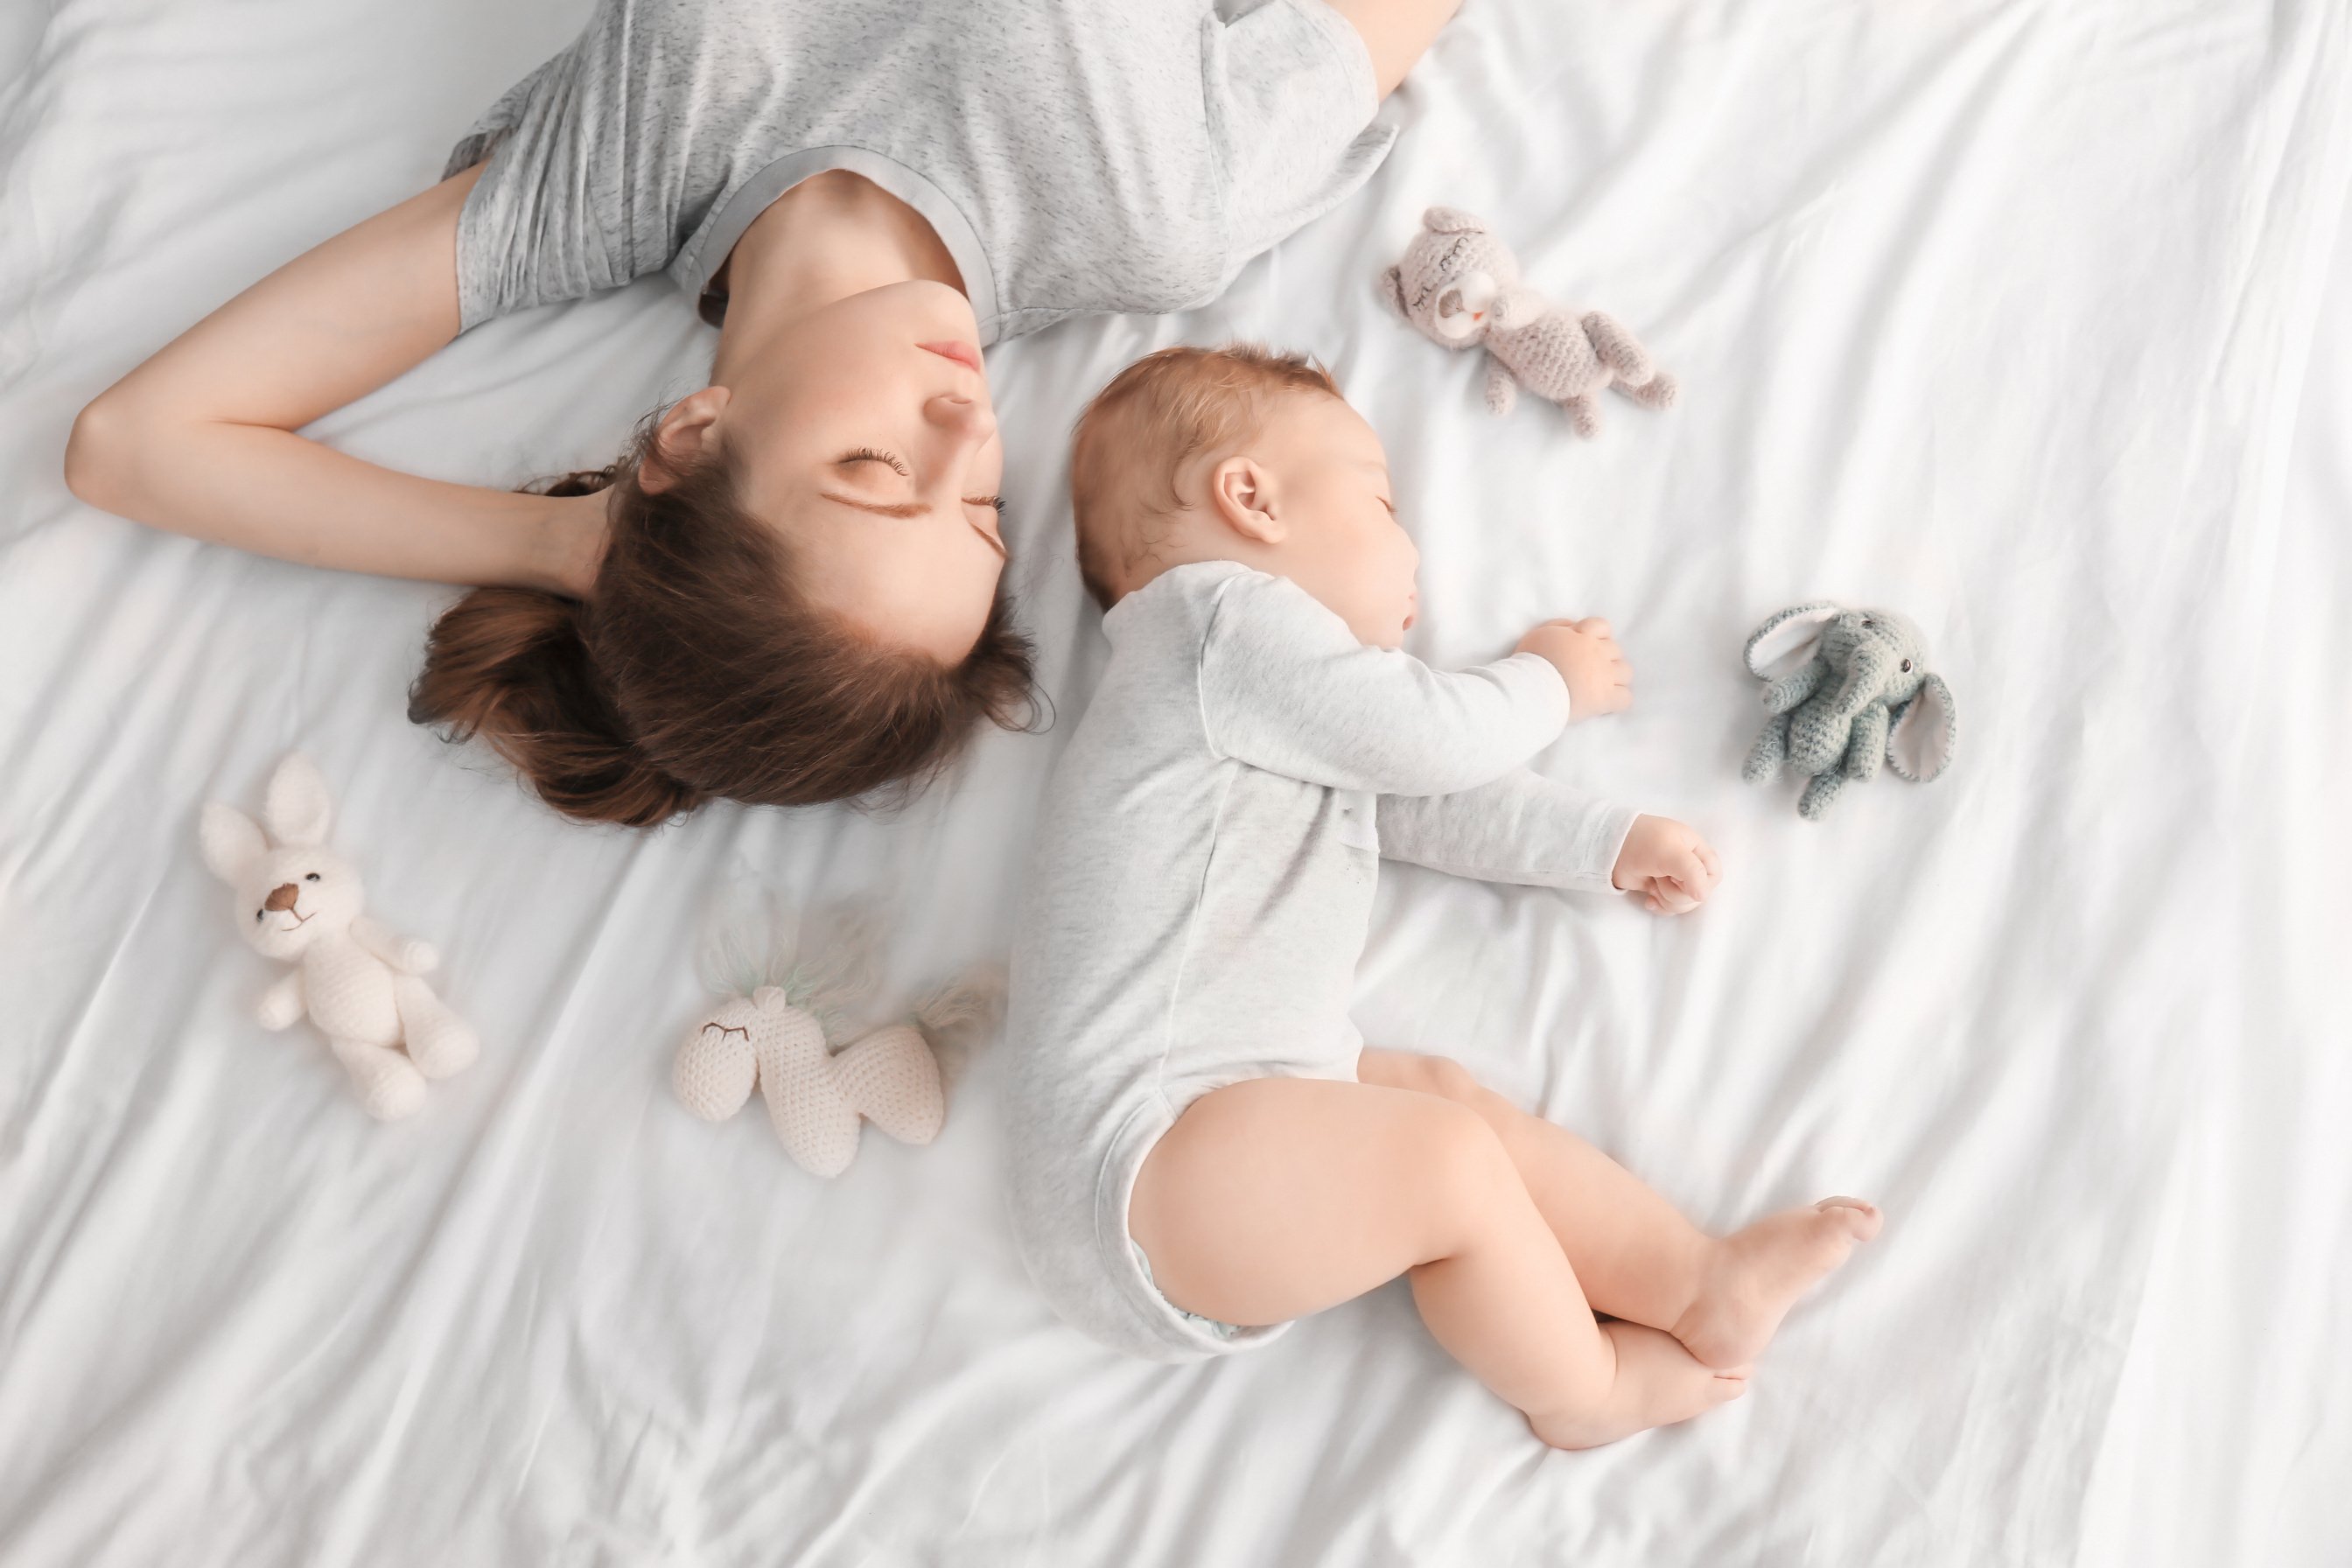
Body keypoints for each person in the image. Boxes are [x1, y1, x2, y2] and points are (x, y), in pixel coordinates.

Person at [63, 0, 1466, 824]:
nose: (966, 427)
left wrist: (568, 550)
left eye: (875, 469)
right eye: (981, 510)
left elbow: (135, 445)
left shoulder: (614, 176)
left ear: (687, 437)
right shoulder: (1155, 215)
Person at [1004, 346, 1881, 1447]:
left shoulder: (1263, 709)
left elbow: (1421, 793)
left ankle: (1696, 1281)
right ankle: (1582, 1391)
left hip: (1213, 1141)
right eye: (1381, 500)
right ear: (1252, 498)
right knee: (1443, 1163)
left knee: (1441, 1100)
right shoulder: (1214, 623)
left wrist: (1598, 843)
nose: (1411, 548)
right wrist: (1549, 679)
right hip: (1140, 1163)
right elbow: (1429, 736)